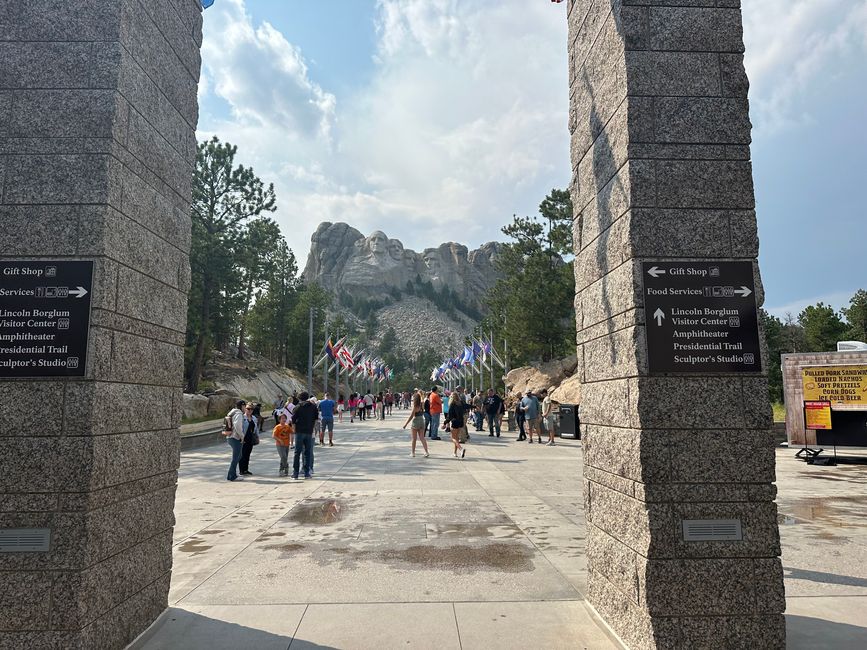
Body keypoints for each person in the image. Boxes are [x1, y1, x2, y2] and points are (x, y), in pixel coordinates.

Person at [291, 392, 318, 479]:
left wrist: (294, 430)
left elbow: (293, 420)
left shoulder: (297, 407)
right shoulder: (313, 407)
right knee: (307, 452)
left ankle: (296, 473)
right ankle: (307, 472)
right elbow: (315, 419)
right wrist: (312, 429)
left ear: (299, 398)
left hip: (299, 432)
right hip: (309, 432)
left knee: (297, 452)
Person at [402, 391, 430, 458]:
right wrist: (420, 395)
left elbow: (411, 416)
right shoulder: (422, 404)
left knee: (414, 439)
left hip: (416, 422)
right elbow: (422, 399)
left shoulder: (415, 407)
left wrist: (405, 424)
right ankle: (426, 452)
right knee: (422, 438)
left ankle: (413, 452)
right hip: (422, 421)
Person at [225, 400, 246, 481]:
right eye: (244, 406)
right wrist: (242, 436)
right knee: (236, 457)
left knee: (238, 456)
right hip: (235, 437)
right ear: (242, 406)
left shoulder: (232, 413)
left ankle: (232, 474)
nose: (245, 408)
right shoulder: (239, 414)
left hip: (230, 437)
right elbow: (237, 425)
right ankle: (232, 476)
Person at [238, 403, 258, 476]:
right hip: (243, 438)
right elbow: (240, 428)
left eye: (251, 409)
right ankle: (241, 470)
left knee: (248, 454)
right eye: (248, 409)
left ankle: (246, 469)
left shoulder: (254, 418)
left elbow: (256, 428)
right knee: (242, 455)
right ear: (245, 409)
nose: (250, 410)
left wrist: (257, 436)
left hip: (250, 438)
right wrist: (241, 437)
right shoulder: (242, 418)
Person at [447, 389, 467, 459]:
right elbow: (466, 406)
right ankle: (455, 452)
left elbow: (449, 416)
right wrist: (473, 406)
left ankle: (461, 449)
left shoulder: (452, 404)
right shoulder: (460, 403)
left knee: (453, 438)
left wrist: (445, 423)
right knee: (457, 438)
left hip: (455, 422)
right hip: (460, 422)